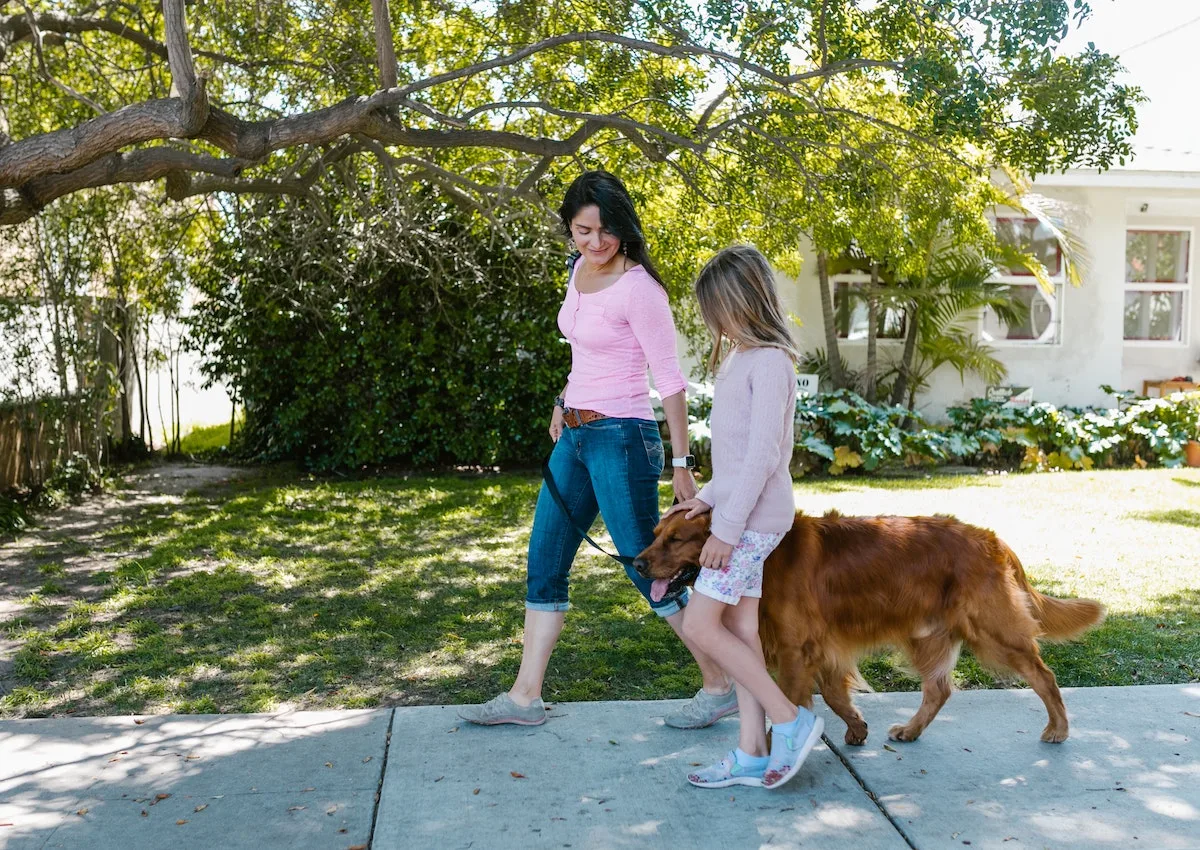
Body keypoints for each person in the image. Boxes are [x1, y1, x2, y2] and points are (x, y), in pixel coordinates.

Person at [458, 171, 734, 728]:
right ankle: (524, 697)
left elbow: (671, 379)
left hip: (623, 437)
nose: (596, 242)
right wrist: (564, 399)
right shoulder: (576, 271)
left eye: (606, 231)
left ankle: (720, 682)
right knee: (544, 560)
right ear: (570, 229)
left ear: (624, 227)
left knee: (646, 564)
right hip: (577, 434)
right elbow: (585, 352)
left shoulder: (640, 289)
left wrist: (681, 465)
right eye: (583, 230)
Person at [668, 244, 824, 790]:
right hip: (740, 510)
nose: (715, 324)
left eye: (719, 312)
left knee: (699, 623)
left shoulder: (771, 362)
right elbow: (736, 458)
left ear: (745, 302)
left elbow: (763, 458)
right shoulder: (739, 358)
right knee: (738, 629)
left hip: (755, 522)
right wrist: (705, 499)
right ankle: (751, 753)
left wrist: (726, 532)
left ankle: (790, 718)